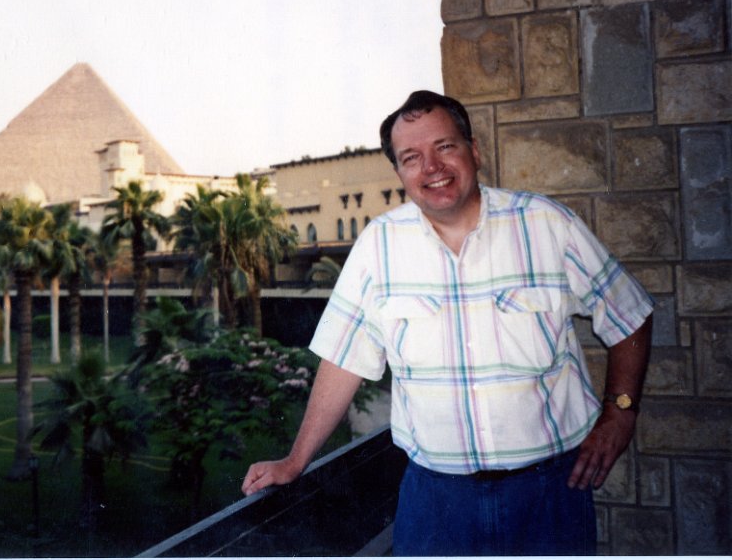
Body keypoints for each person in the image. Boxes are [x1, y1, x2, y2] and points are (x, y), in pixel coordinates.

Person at [241, 90, 653, 556]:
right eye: (411, 157)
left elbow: (629, 313)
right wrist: (296, 461)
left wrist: (620, 413)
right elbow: (343, 358)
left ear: (474, 151)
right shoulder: (379, 246)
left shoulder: (547, 225)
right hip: (436, 504)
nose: (431, 167)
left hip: (549, 495)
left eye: (444, 147)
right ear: (400, 173)